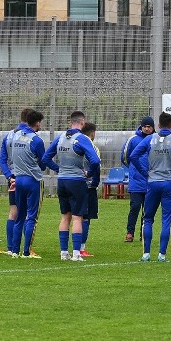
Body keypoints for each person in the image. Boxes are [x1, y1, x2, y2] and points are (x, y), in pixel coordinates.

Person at [129, 111, 171, 262]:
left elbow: (133, 156)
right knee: (166, 219)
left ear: (158, 126)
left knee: (148, 218)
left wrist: (144, 172)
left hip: (152, 182)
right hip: (169, 182)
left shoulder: (150, 140)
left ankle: (146, 254)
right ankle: (161, 255)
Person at [42, 111, 101, 262]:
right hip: (76, 180)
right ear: (82, 123)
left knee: (65, 217)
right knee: (77, 218)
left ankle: (63, 253)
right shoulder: (82, 138)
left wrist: (59, 169)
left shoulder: (60, 137)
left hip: (62, 181)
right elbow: (94, 160)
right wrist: (89, 174)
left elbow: (45, 158)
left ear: (70, 122)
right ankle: (76, 253)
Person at [11, 109, 51, 259]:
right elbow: (42, 163)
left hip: (19, 179)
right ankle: (26, 251)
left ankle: (15, 251)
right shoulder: (36, 140)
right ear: (38, 123)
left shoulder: (15, 136)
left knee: (19, 216)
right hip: (33, 180)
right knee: (32, 217)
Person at [0, 108, 33, 256]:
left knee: (13, 211)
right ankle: (26, 248)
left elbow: (2, 160)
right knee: (27, 213)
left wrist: (8, 175)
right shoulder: (29, 136)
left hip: (13, 176)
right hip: (26, 176)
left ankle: (10, 246)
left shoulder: (9, 136)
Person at [121, 116, 155, 242]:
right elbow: (124, 157)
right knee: (135, 207)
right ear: (141, 127)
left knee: (148, 209)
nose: (146, 129)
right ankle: (130, 233)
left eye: (149, 126)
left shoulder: (156, 140)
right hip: (136, 181)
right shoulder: (133, 140)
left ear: (153, 128)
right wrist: (133, 170)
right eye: (144, 126)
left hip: (151, 181)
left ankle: (144, 233)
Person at [80, 122, 102, 257]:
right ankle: (81, 248)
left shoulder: (73, 143)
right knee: (85, 218)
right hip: (88, 187)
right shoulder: (92, 147)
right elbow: (96, 165)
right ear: (92, 133)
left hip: (73, 183)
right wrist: (95, 182)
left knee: (71, 217)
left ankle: (66, 249)